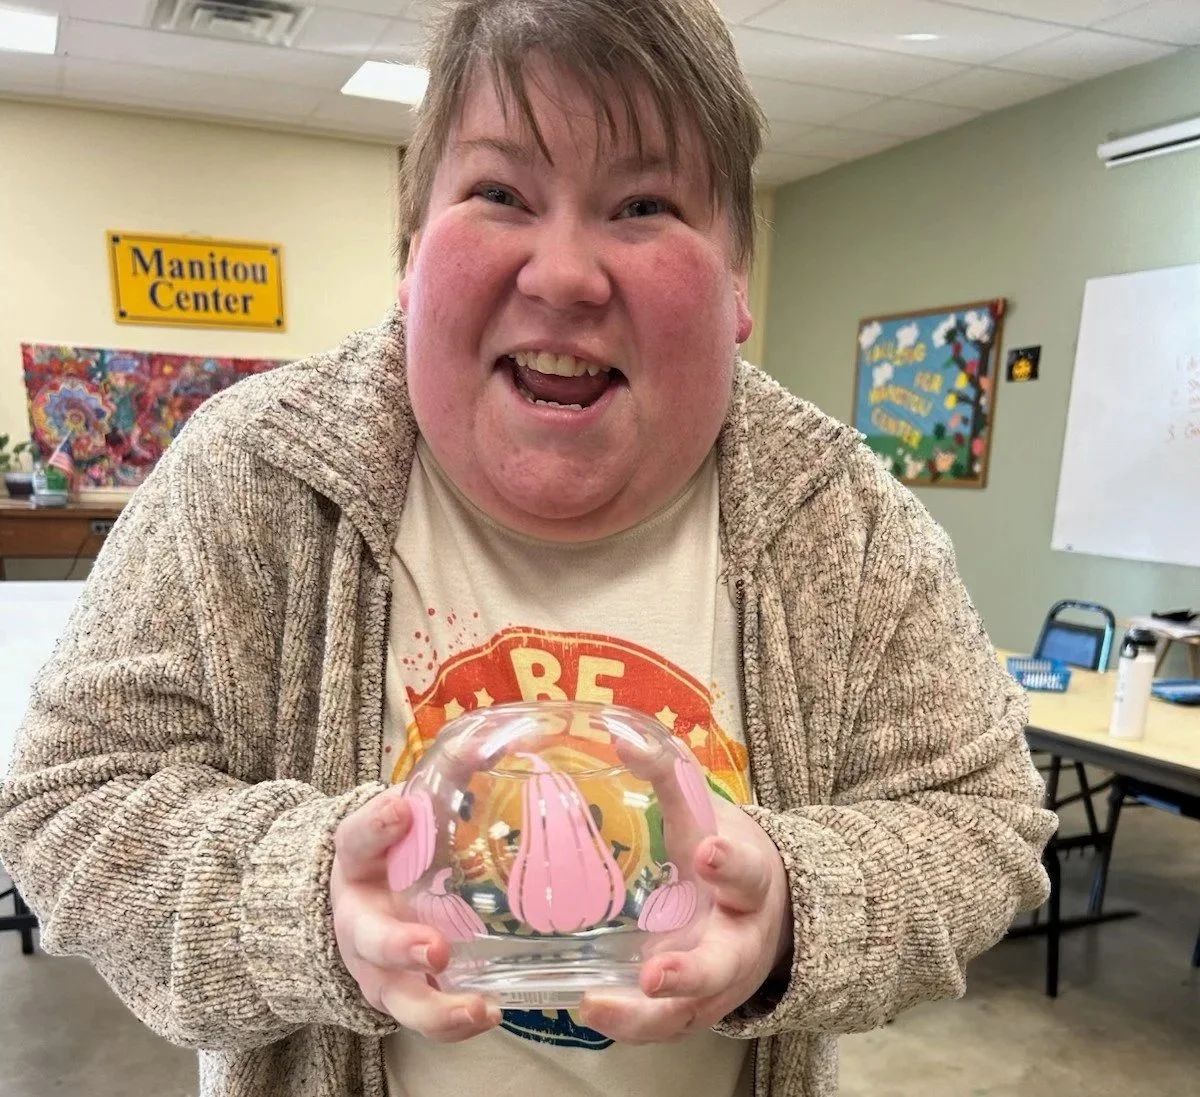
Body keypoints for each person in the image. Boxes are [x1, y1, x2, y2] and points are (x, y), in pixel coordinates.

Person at [0, 1, 1056, 1096]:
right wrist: (311, 897)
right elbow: (70, 800)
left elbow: (980, 817)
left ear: (739, 278)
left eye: (644, 204)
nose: (564, 274)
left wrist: (797, 904)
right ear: (410, 253)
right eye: (500, 192)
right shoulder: (254, 477)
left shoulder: (841, 518)